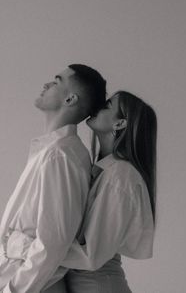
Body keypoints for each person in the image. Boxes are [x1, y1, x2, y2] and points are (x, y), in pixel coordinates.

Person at [5, 90, 157, 293]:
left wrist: (22, 245)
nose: (96, 108)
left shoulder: (120, 177)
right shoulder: (101, 170)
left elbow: (91, 256)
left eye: (106, 106)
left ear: (120, 124)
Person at [0, 64, 106, 293]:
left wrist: (13, 290)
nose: (46, 85)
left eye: (56, 81)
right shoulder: (53, 152)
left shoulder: (60, 156)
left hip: (33, 287)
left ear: (70, 99)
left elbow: (53, 243)